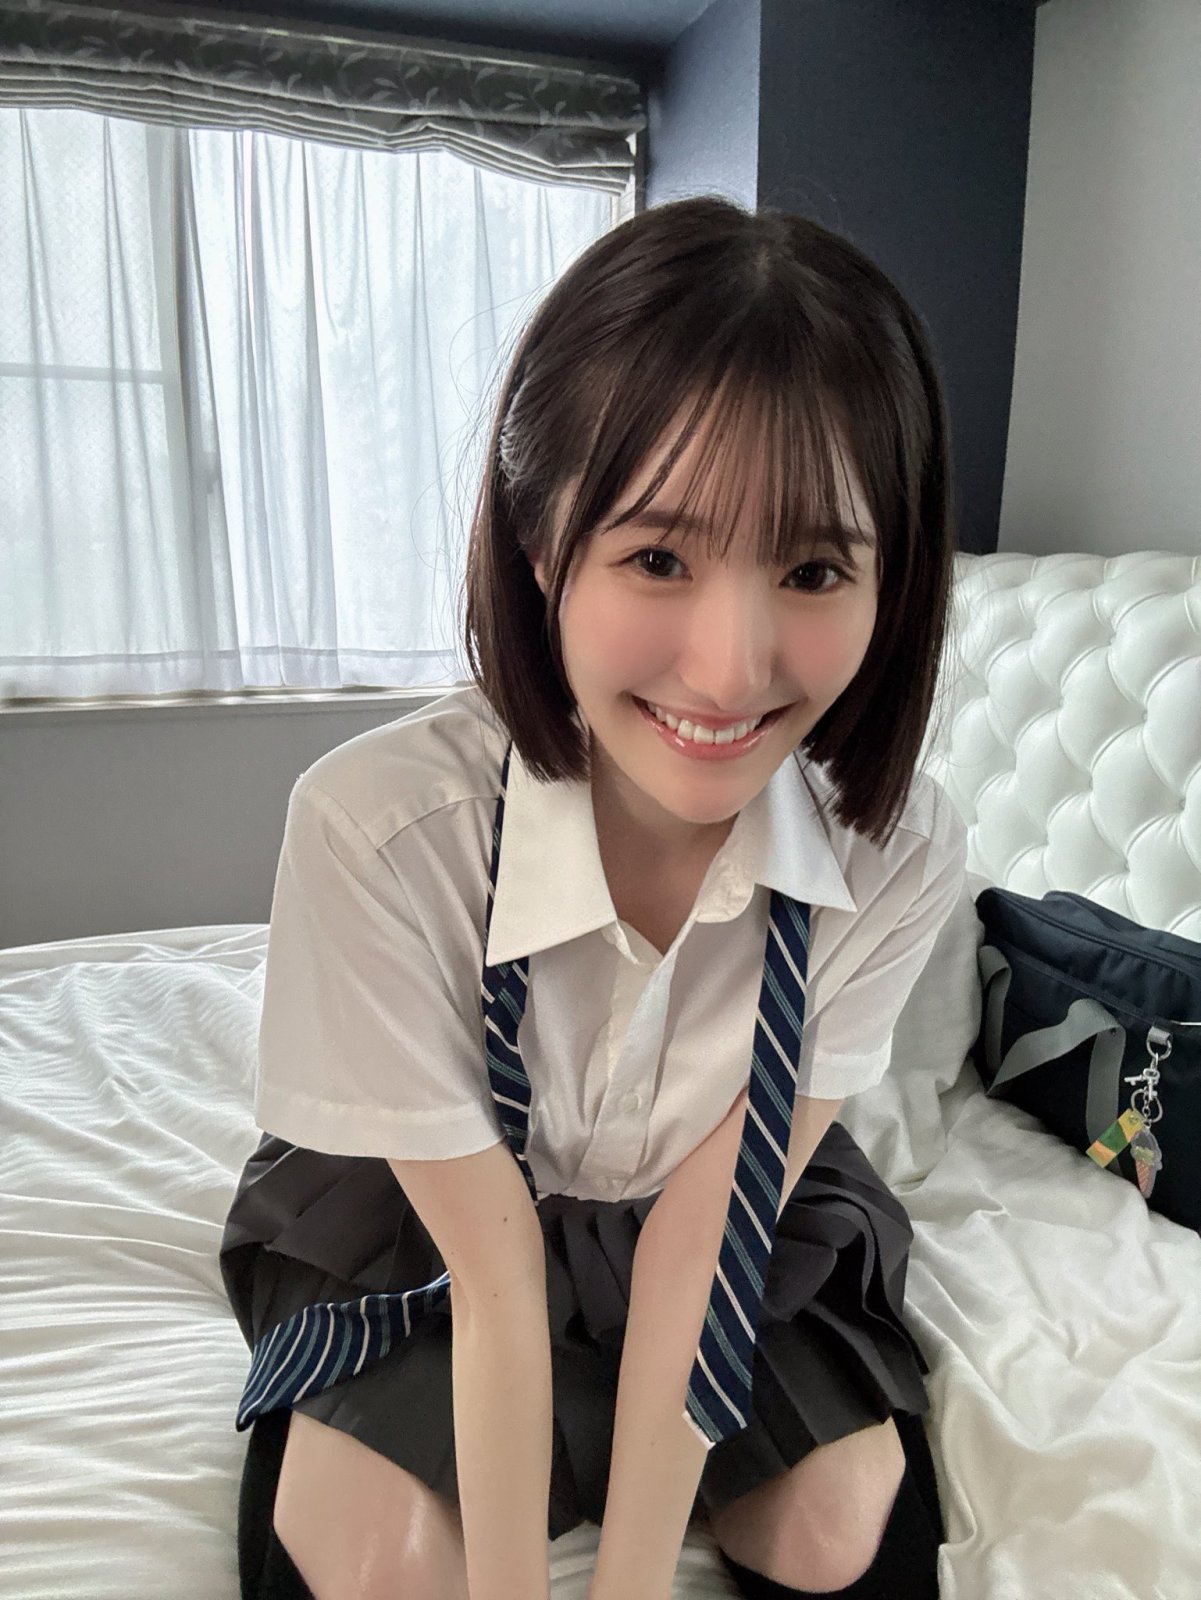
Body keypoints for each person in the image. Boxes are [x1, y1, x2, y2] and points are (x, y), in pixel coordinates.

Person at [220, 193, 967, 1600]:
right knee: (376, 1566)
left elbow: (706, 1237)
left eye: (812, 568)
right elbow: (494, 1271)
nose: (730, 669)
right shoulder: (380, 831)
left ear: (896, 578)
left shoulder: (897, 852)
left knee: (838, 1540)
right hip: (442, 1210)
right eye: (657, 558)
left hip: (728, 1205)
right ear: (540, 543)